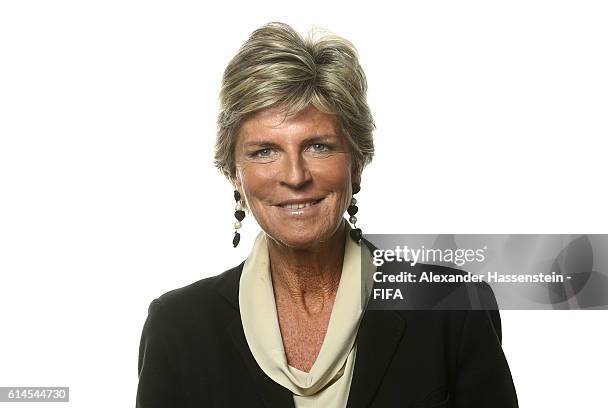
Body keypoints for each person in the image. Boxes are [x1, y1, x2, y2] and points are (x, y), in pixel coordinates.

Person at [136, 22, 518, 407]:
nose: (295, 176)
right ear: (234, 174)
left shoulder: (452, 309)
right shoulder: (178, 327)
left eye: (318, 146)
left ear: (356, 163)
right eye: (264, 151)